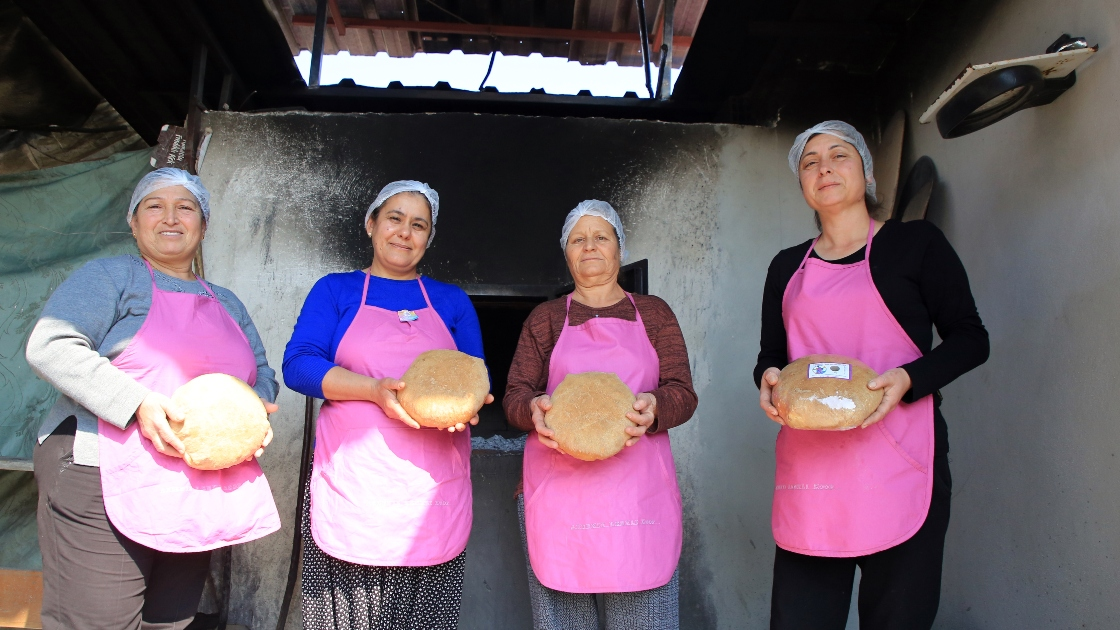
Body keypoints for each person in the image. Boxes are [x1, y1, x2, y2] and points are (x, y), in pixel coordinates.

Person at [755, 121, 990, 629]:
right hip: (812, 474)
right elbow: (772, 354)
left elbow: (971, 338)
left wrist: (908, 379)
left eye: (839, 155)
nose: (824, 168)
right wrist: (769, 378)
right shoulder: (784, 267)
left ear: (864, 170)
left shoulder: (916, 244)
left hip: (900, 458)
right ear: (803, 186)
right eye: (810, 162)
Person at [26, 167, 281, 630]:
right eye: (154, 206)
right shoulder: (112, 277)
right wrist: (139, 403)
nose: (170, 218)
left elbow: (262, 374)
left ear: (203, 226)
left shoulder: (225, 301)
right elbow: (52, 345)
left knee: (171, 621)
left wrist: (249, 418)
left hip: (191, 484)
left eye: (185, 207)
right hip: (97, 469)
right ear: (133, 220)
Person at [283, 180, 491, 629]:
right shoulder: (335, 290)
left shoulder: (451, 300)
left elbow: (476, 376)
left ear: (428, 238)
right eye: (394, 218)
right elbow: (298, 366)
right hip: (355, 484)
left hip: (431, 488)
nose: (404, 232)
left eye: (419, 225)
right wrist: (374, 390)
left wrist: (472, 404)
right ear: (371, 224)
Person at [505, 200, 698, 630]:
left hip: (637, 496)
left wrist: (656, 408)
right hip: (559, 498)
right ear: (567, 252)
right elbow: (516, 395)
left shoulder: (653, 313)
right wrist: (532, 410)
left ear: (619, 249)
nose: (589, 246)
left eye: (601, 237)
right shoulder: (546, 319)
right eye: (578, 239)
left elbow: (683, 393)